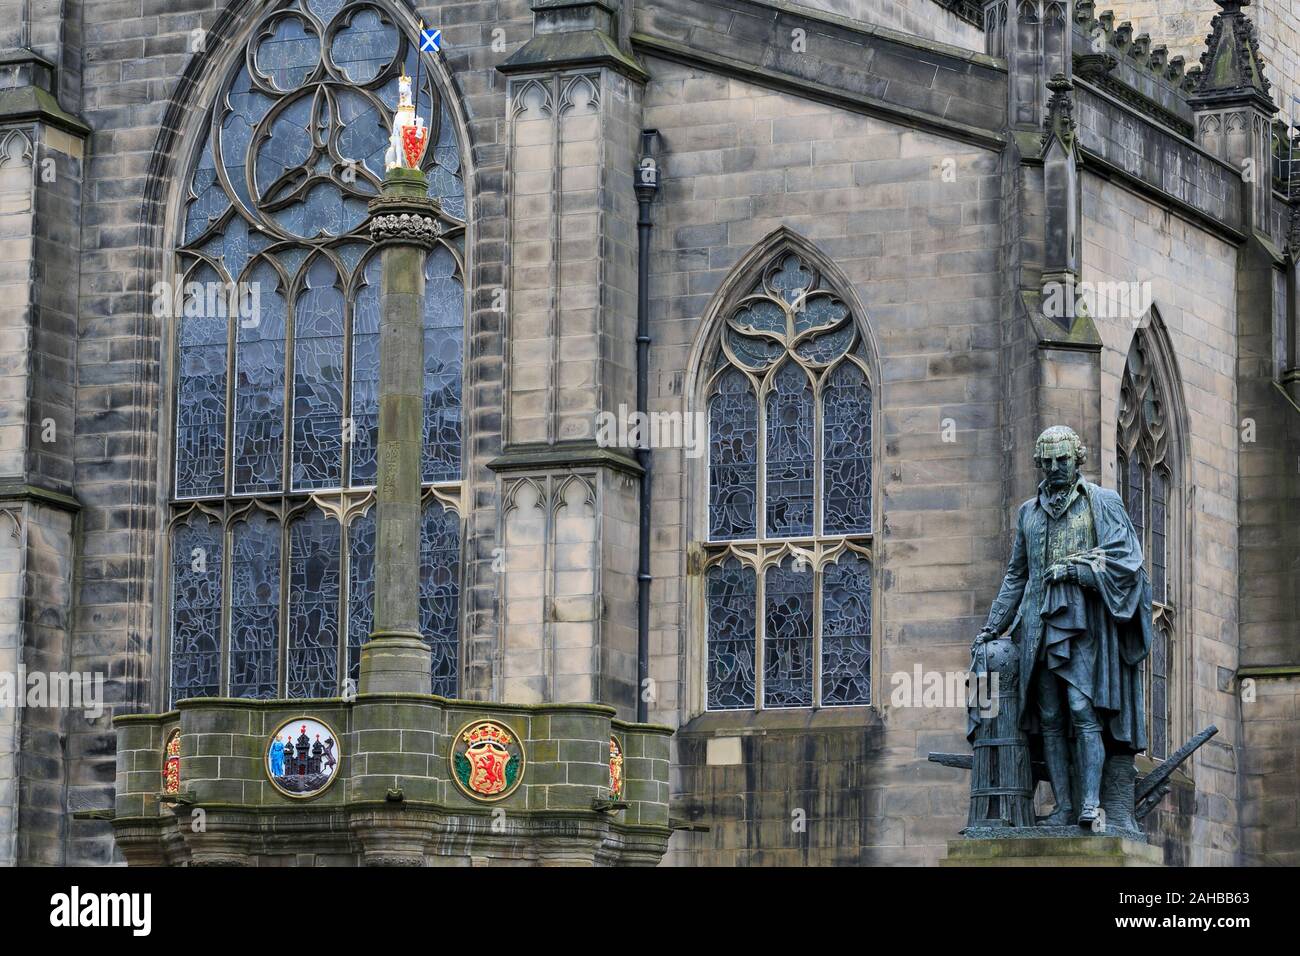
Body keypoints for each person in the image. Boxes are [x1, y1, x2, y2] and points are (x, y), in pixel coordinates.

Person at [973, 425, 1151, 826]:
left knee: (1081, 709)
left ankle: (1091, 803)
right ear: (1039, 463)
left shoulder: (1101, 503)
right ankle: (1065, 806)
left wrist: (1078, 570)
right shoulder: (1027, 513)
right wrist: (992, 626)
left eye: (1063, 460)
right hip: (1036, 626)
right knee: (1050, 718)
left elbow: (1128, 561)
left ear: (1077, 459)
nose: (1055, 467)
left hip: (1084, 626)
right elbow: (1016, 576)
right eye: (1048, 461)